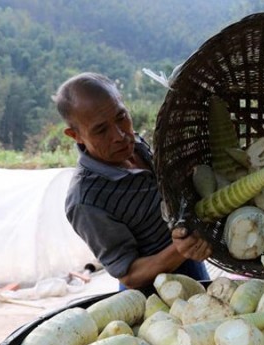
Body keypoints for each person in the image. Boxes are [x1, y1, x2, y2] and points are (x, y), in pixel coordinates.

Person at [54, 72, 211, 292]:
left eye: (121, 117)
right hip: (153, 298)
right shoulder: (86, 200)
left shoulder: (134, 144)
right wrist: (181, 249)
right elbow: (130, 275)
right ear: (75, 135)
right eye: (101, 130)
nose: (119, 135)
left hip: (192, 263)